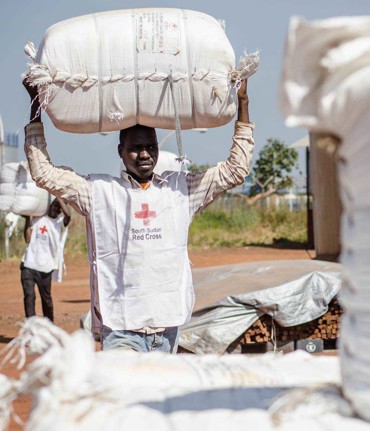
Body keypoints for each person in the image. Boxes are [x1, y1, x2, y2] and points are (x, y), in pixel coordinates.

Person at [23, 78, 254, 353]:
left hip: (167, 327)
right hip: (121, 327)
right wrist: (36, 105)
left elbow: (236, 169)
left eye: (151, 147)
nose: (145, 154)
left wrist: (242, 103)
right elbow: (43, 172)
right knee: (124, 396)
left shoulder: (180, 190)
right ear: (121, 151)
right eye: (135, 148)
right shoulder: (99, 192)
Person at [21, 196, 71, 322]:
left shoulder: (60, 224)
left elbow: (68, 216)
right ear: (49, 205)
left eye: (59, 207)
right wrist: (27, 218)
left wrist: (57, 196)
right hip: (29, 264)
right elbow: (27, 239)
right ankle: (31, 328)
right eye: (54, 205)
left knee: (46, 300)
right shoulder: (38, 218)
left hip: (46, 267)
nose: (55, 209)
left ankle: (49, 326)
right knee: (29, 296)